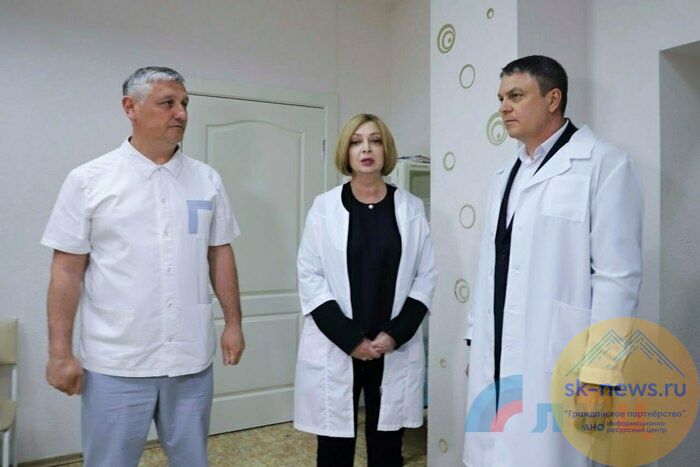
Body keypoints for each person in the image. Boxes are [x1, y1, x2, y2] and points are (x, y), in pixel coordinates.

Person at [41, 66, 245, 466]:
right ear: (130, 107)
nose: (181, 113)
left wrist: (234, 323)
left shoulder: (206, 180)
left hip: (190, 359)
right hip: (117, 362)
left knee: (192, 460)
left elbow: (220, 253)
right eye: (167, 103)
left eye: (184, 103)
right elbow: (66, 271)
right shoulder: (89, 181)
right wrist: (60, 352)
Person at [463, 56, 643, 466]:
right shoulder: (504, 174)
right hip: (496, 353)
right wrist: (477, 339)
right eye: (501, 98)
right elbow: (491, 265)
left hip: (561, 357)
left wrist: (600, 375)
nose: (503, 107)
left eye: (516, 96)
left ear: (552, 99)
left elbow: (618, 278)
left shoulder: (604, 164)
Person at [294, 114, 437, 466]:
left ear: (386, 150)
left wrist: (395, 334)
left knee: (388, 448)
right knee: (334, 449)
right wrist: (351, 340)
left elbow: (425, 276)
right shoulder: (324, 208)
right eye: (357, 142)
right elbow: (310, 276)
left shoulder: (410, 208)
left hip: (391, 345)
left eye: (375, 141)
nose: (366, 149)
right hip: (340, 344)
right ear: (346, 152)